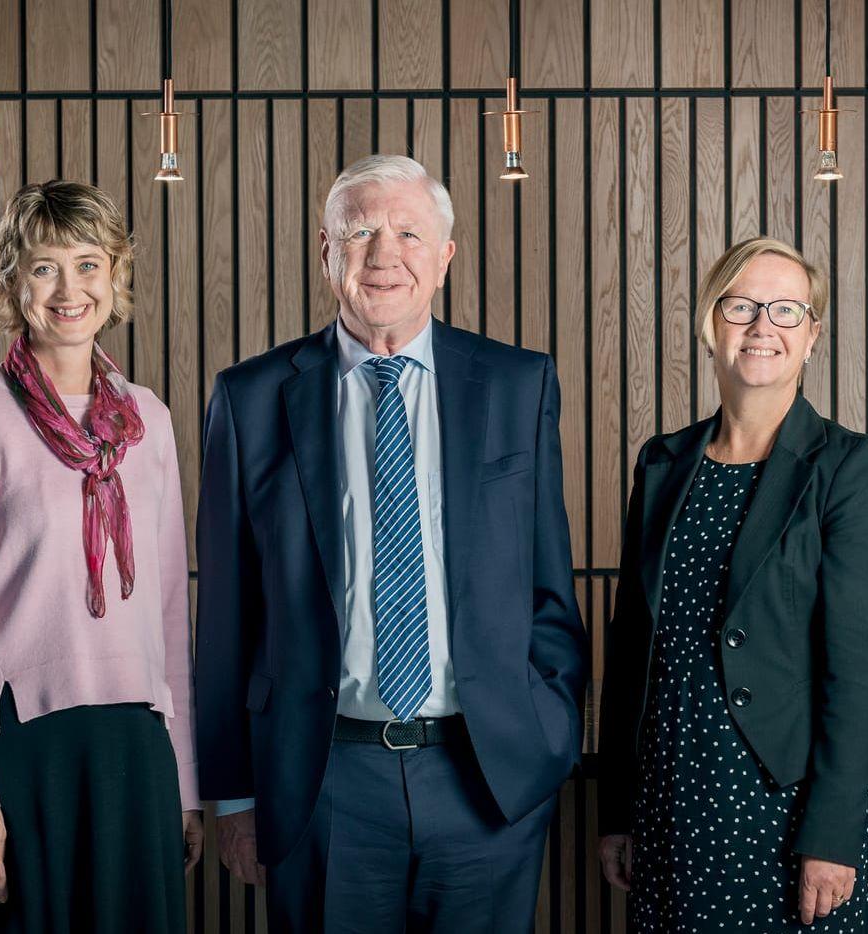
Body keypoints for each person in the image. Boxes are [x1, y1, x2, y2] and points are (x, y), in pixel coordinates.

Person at [193, 154, 587, 932]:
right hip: (324, 780)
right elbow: (227, 616)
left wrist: (546, 736)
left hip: (488, 774)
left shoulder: (517, 384)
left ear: (444, 256)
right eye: (361, 231)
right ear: (326, 249)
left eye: (408, 232)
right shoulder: (252, 397)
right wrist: (235, 793)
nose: (383, 254)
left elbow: (548, 584)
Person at [0, 179, 201, 933]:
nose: (70, 288)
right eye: (42, 268)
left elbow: (169, 614)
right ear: (9, 283)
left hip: (136, 754)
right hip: (19, 757)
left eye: (89, 264)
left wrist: (187, 781)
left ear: (116, 275)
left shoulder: (147, 421)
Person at [595, 238, 868, 931]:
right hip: (673, 801)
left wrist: (832, 833)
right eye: (742, 306)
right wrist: (617, 810)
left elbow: (861, 673)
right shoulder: (663, 462)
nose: (763, 325)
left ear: (812, 335)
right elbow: (632, 646)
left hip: (786, 809)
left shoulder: (847, 468)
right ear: (710, 323)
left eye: (787, 310)